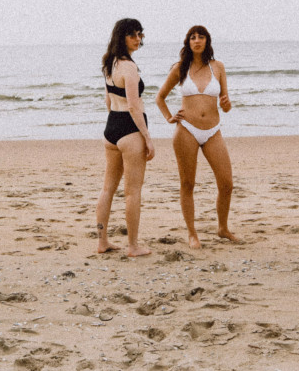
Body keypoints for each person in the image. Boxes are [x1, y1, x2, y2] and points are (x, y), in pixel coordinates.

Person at [155, 25, 237, 249]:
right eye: (193, 37)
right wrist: (169, 117)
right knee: (187, 183)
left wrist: (227, 105)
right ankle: (192, 234)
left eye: (201, 37)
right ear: (188, 42)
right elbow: (160, 97)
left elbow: (225, 105)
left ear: (207, 41)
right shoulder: (180, 67)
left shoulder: (218, 67)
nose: (197, 40)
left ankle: (223, 228)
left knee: (227, 183)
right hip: (186, 130)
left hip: (213, 130)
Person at [95, 18, 154, 257]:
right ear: (122, 37)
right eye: (132, 35)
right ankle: (132, 246)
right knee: (133, 191)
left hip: (111, 128)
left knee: (107, 188)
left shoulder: (109, 63)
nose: (137, 39)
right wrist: (147, 137)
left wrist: (115, 123)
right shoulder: (128, 67)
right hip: (129, 129)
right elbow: (133, 105)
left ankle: (102, 242)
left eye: (140, 34)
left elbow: (108, 100)